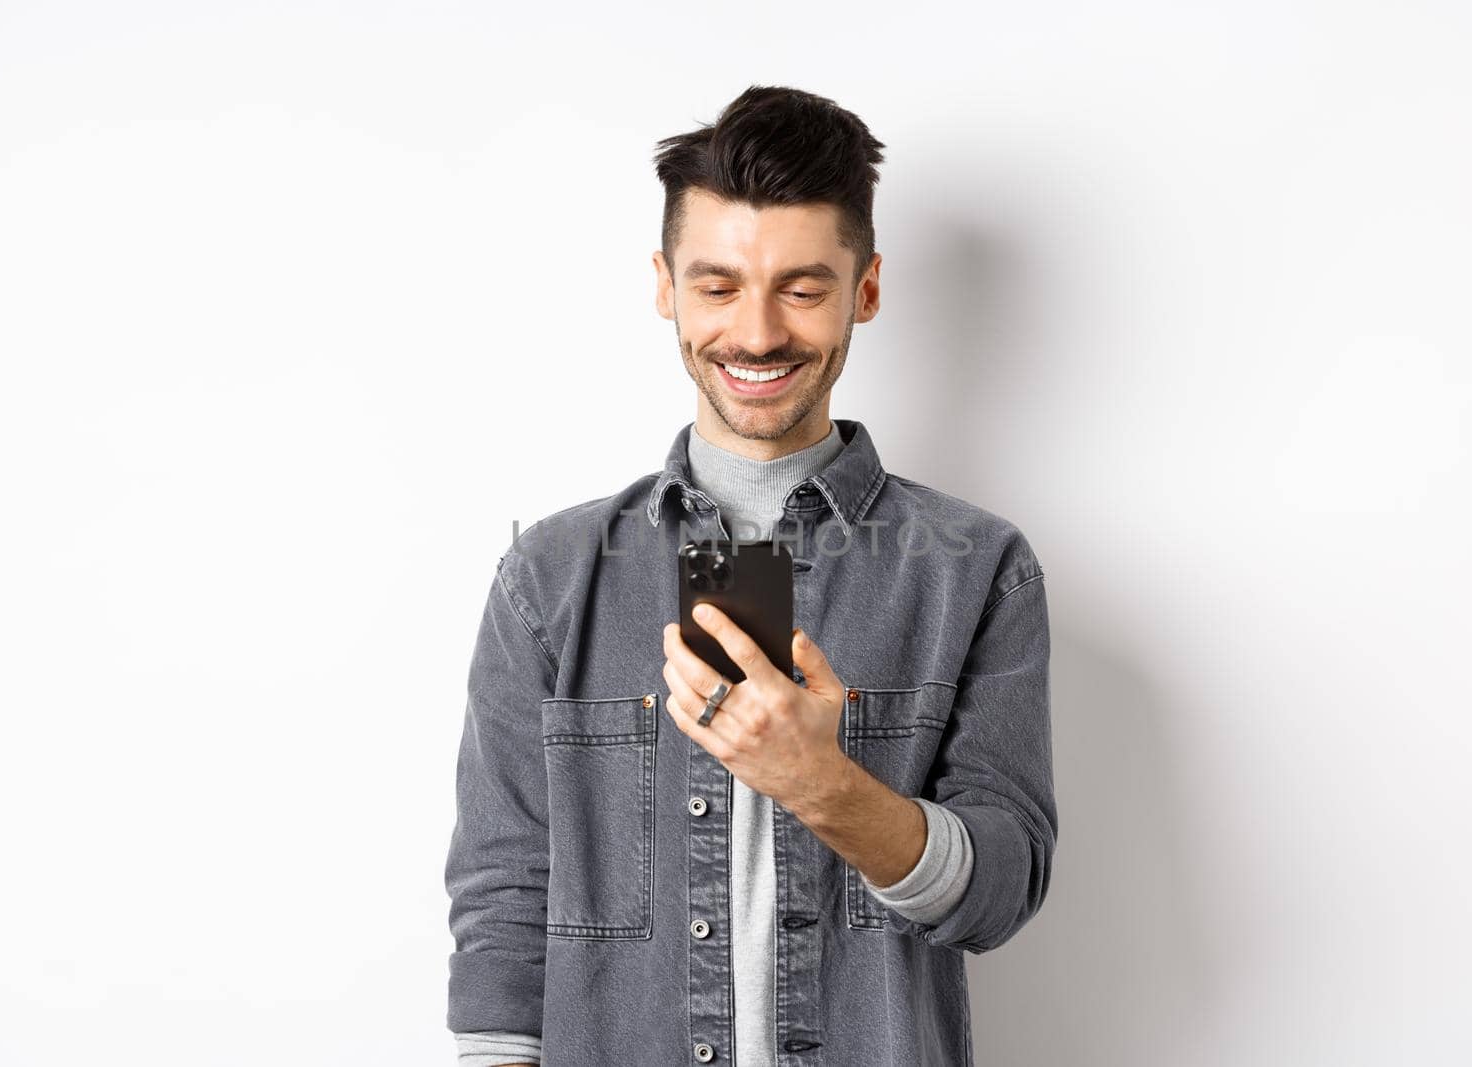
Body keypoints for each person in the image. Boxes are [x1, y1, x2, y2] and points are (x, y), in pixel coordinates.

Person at [445, 84, 1056, 1066]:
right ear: (665, 285)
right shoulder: (547, 578)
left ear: (865, 288)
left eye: (802, 287)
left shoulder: (976, 569)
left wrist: (825, 786)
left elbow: (1000, 890)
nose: (759, 332)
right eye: (719, 284)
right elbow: (506, 888)